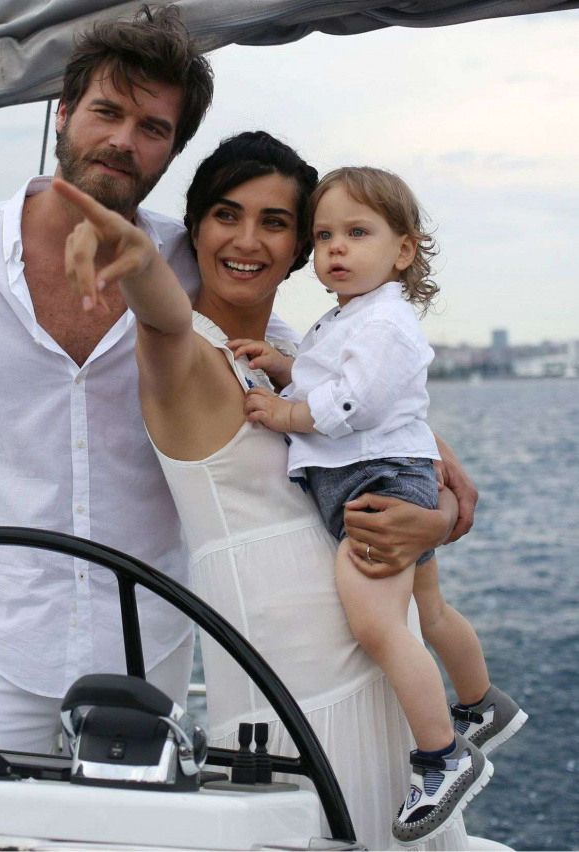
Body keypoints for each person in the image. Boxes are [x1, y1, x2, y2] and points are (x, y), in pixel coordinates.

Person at [0, 5, 478, 763]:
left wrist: (430, 461)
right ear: (63, 110)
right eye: (107, 111)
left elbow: (314, 368)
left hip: (149, 641)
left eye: (152, 128)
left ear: (171, 150)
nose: (123, 140)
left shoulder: (188, 262)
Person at [55, 132, 476, 849]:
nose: (247, 240)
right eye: (226, 215)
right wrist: (139, 261)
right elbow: (161, 316)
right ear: (194, 229)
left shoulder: (313, 360)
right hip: (287, 696)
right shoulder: (186, 355)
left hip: (384, 668)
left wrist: (432, 522)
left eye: (274, 222)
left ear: (300, 247)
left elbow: (412, 468)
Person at [237, 166, 526, 844]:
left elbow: (352, 400)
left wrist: (285, 412)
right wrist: (283, 366)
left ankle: (442, 755)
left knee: (378, 625)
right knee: (429, 609)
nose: (335, 247)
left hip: (373, 484)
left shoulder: (386, 321)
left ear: (402, 250)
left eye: (357, 233)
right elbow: (331, 374)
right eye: (323, 236)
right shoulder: (352, 316)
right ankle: (483, 704)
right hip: (387, 475)